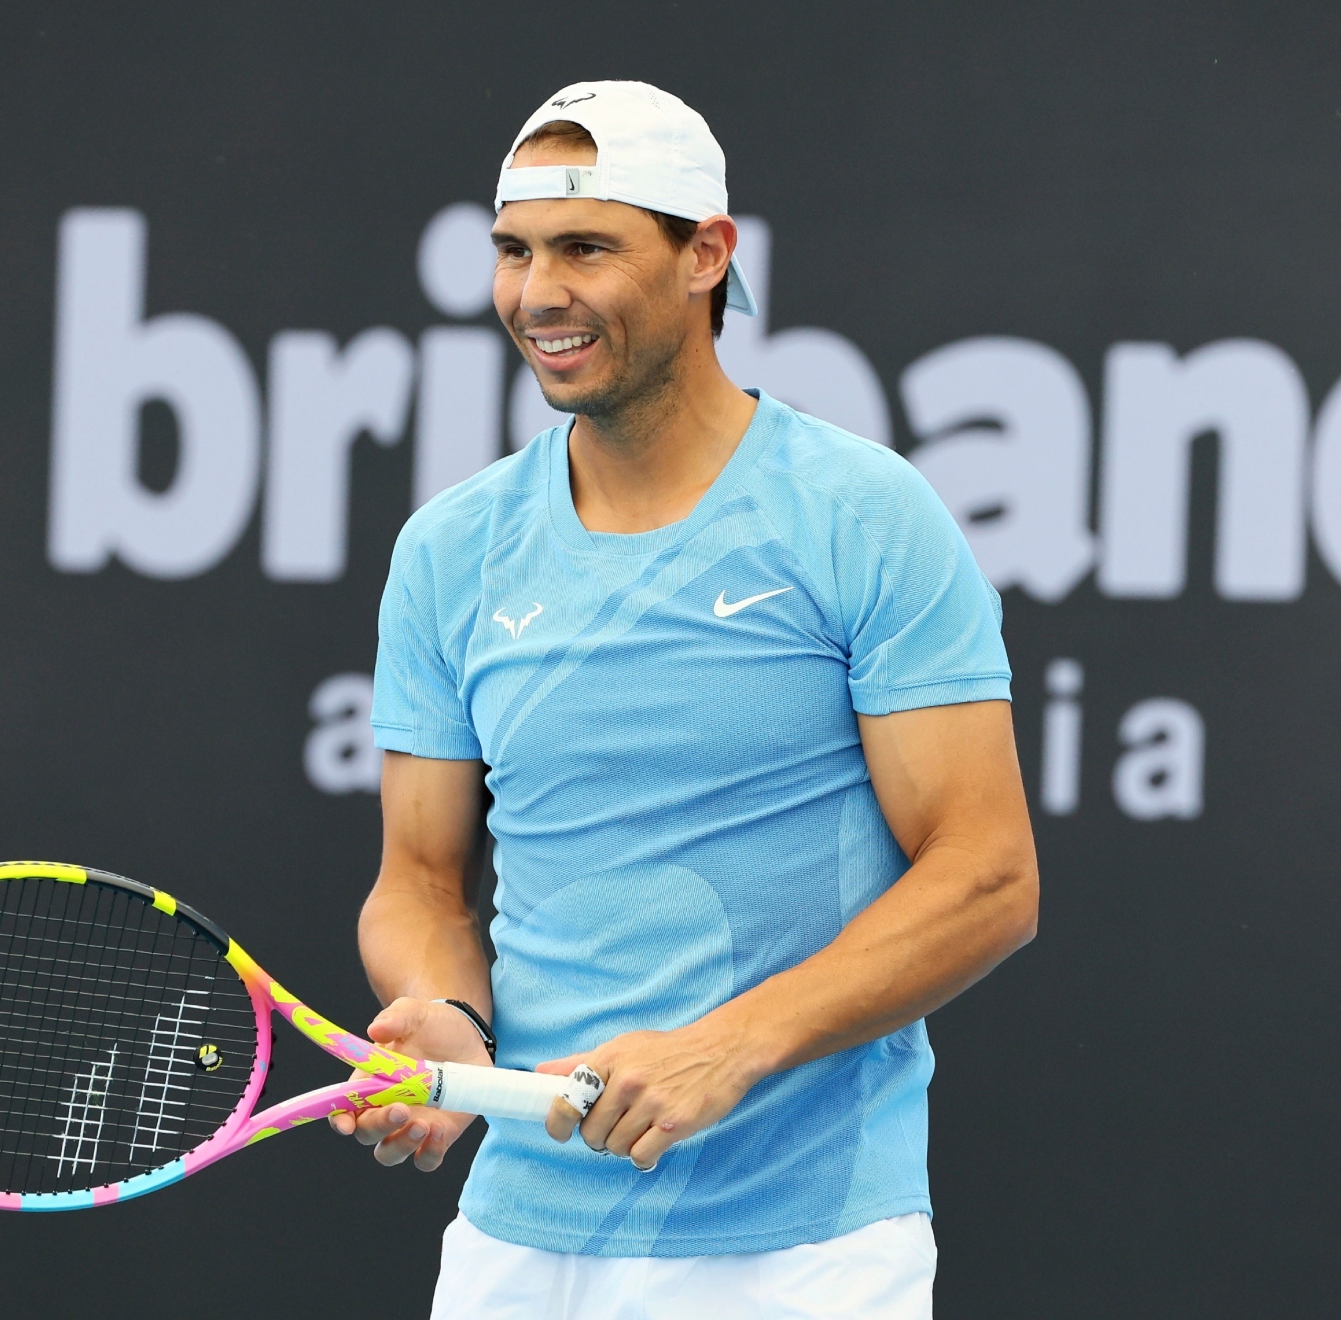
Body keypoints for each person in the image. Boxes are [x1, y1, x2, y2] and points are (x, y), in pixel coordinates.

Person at [330, 80, 1040, 1318]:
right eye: (513, 251)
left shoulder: (862, 518)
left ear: (707, 254)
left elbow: (987, 875)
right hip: (518, 1245)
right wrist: (444, 1011)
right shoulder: (450, 552)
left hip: (803, 1255)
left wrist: (732, 1045)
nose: (536, 293)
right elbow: (421, 883)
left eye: (585, 248)